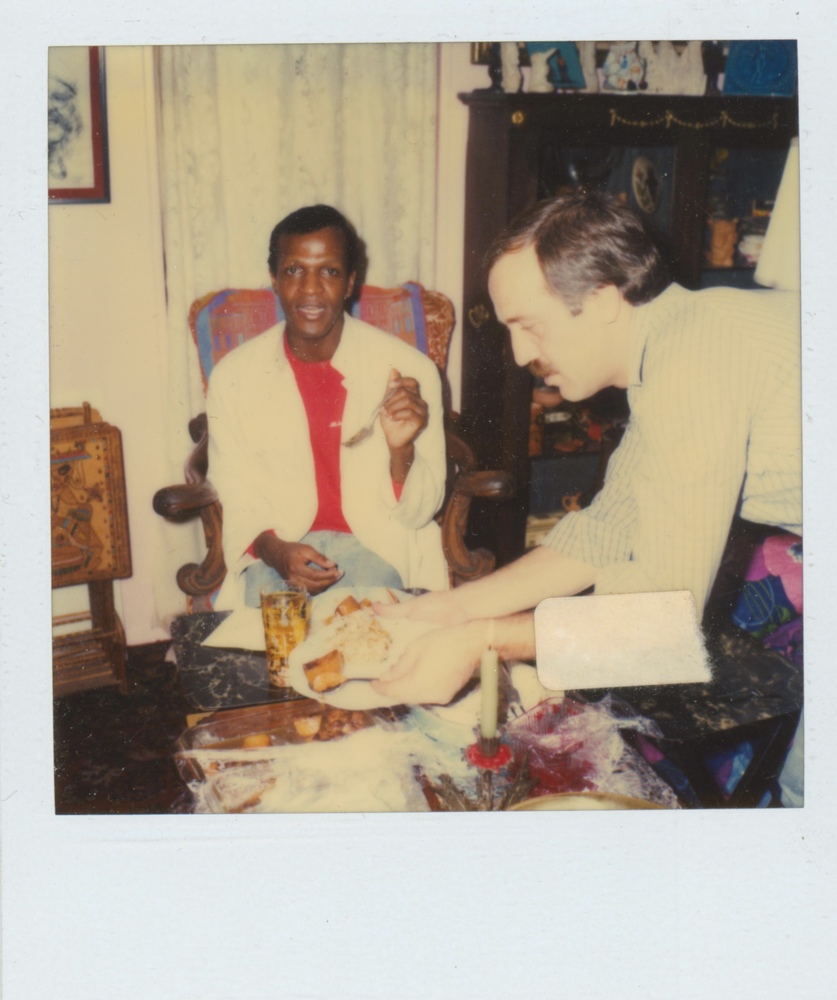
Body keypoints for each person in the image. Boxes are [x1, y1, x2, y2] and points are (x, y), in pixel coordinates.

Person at [373, 189, 801, 709]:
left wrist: (485, 640)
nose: (520, 354)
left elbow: (668, 620)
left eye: (530, 326)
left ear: (601, 301)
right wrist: (452, 609)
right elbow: (605, 531)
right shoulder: (676, 343)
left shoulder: (693, 363)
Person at [207, 204, 448, 610]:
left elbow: (420, 512)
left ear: (350, 281)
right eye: (294, 270)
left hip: (378, 548)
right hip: (277, 551)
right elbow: (236, 492)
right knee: (270, 642)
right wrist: (276, 552)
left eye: (330, 272)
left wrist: (402, 450)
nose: (311, 289)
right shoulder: (233, 376)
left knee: (371, 638)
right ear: (274, 279)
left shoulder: (409, 371)